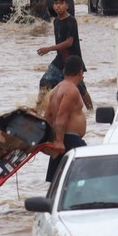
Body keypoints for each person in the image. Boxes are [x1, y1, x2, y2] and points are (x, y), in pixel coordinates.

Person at [42, 54, 89, 183]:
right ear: (80, 72)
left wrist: (50, 140)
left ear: (64, 71)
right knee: (85, 179)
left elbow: (47, 116)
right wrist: (59, 141)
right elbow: (62, 116)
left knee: (58, 183)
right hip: (69, 141)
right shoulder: (71, 90)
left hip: (62, 140)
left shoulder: (55, 90)